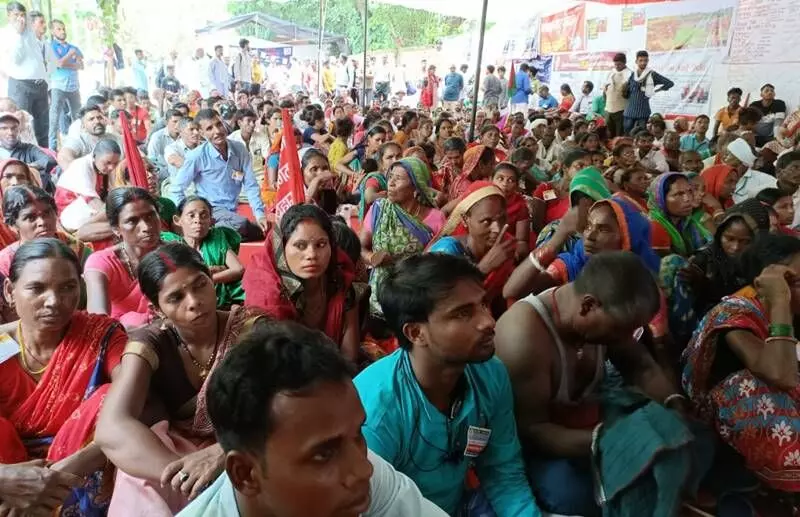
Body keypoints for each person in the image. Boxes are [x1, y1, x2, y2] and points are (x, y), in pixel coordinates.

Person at [177, 319, 447, 517]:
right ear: (245, 474)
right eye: (323, 455)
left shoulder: (363, 475)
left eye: (358, 435)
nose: (364, 470)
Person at [495, 252, 683, 517]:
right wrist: (613, 440)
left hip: (591, 427)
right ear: (587, 306)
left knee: (673, 451)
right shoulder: (523, 337)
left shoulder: (607, 315)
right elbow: (533, 430)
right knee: (576, 497)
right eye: (622, 330)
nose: (626, 337)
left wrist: (674, 405)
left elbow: (640, 366)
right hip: (538, 444)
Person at [355, 253, 540, 516]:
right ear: (416, 333)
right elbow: (373, 507)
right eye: (463, 313)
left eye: (483, 304)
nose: (488, 321)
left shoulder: (490, 375)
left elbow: (502, 472)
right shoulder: (374, 411)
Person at [95, 242, 266, 516]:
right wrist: (187, 473)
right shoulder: (150, 342)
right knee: (136, 473)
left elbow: (292, 404)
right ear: (157, 308)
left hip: (248, 442)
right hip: (180, 456)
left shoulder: (252, 331)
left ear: (212, 280)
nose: (194, 301)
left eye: (200, 285)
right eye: (176, 298)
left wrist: (225, 451)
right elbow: (111, 427)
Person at [0, 238, 128, 516]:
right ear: (10, 291)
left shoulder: (101, 335)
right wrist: (4, 479)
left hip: (78, 474)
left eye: (68, 287)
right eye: (37, 288)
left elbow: (139, 400)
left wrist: (63, 472)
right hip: (7, 481)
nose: (55, 301)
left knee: (112, 398)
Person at [682, 234, 800, 492]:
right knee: (749, 384)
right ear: (764, 286)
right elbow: (781, 374)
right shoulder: (734, 314)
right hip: (724, 415)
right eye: (796, 282)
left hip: (774, 398)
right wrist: (780, 301)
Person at [242, 203, 362, 361]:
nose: (311, 254)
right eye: (300, 246)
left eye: (321, 244)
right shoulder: (267, 294)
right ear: (282, 248)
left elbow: (349, 359)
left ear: (331, 246)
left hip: (335, 377)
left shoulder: (341, 286)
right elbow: (270, 362)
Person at [665, 199, 771, 345]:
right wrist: (701, 283)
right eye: (729, 239)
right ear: (720, 233)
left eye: (745, 241)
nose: (735, 247)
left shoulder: (765, 260)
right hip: (711, 332)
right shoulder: (704, 259)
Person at [360, 157, 445, 317]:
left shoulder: (436, 218)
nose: (390, 183)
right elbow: (360, 247)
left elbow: (440, 262)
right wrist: (372, 257)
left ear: (415, 186)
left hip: (417, 299)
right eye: (390, 177)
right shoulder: (379, 209)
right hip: (380, 300)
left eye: (397, 179)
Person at [171, 109, 266, 242]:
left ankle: (216, 234)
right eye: (209, 128)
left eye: (219, 124)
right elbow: (176, 189)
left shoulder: (239, 149)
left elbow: (251, 185)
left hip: (231, 210)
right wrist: (188, 216)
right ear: (202, 133)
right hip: (209, 210)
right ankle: (211, 232)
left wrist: (259, 214)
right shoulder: (197, 156)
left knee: (259, 229)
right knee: (243, 224)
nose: (217, 131)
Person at [427, 181, 516, 315]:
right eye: (486, 221)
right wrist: (483, 269)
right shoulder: (447, 251)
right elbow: (433, 302)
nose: (497, 228)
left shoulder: (504, 245)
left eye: (502, 218)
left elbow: (498, 296)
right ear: (464, 220)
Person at [83, 187, 162, 328]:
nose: (146, 226)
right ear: (115, 229)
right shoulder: (101, 263)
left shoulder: (173, 255)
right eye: (132, 221)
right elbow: (99, 323)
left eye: (151, 216)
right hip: (119, 339)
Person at [162, 196, 244, 309]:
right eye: (191, 215)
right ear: (178, 220)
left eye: (204, 215)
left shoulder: (216, 238)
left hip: (223, 299)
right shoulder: (171, 244)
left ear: (211, 221)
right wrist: (218, 272)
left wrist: (205, 278)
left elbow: (238, 269)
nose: (198, 220)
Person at [0, 184, 90, 277]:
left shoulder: (74, 248)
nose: (42, 222)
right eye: (30, 217)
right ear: (12, 225)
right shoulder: (5, 264)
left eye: (47, 213)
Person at [2, 2, 50, 148]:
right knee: (19, 125)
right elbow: (15, 59)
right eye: (16, 15)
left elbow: (38, 59)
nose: (20, 19)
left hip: (40, 84)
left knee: (43, 126)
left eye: (23, 15)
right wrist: (19, 34)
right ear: (9, 16)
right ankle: (22, 163)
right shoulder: (5, 34)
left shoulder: (31, 32)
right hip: (20, 85)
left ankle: (46, 159)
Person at [54, 138, 122, 233]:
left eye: (115, 163)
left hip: (87, 207)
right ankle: (80, 232)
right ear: (94, 156)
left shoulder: (100, 167)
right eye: (107, 163)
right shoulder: (81, 167)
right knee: (114, 218)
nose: (111, 167)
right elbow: (93, 202)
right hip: (68, 212)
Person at [648, 172, 711, 257]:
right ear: (660, 199)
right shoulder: (653, 228)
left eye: (689, 192)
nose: (687, 198)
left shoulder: (688, 223)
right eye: (678, 194)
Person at [48, 19, 83, 151]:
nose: (62, 31)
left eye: (63, 28)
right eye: (58, 29)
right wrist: (70, 55)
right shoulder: (51, 46)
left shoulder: (74, 47)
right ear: (52, 31)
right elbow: (58, 64)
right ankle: (52, 148)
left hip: (74, 85)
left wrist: (66, 63)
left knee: (78, 116)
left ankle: (78, 144)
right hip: (58, 85)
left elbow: (81, 65)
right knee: (54, 117)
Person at [0, 111, 56, 189]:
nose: (10, 132)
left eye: (14, 128)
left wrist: (24, 168)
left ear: (19, 130)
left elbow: (49, 160)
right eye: (4, 128)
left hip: (30, 194)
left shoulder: (29, 149)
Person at [57, 104, 122, 171]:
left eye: (99, 118)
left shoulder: (115, 138)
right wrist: (79, 174)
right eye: (91, 119)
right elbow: (63, 156)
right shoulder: (79, 140)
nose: (97, 121)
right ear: (83, 126)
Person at [623, 51, 674, 135]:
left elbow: (670, 83)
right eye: (641, 60)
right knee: (627, 135)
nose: (643, 63)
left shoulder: (652, 74)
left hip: (643, 112)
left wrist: (656, 90)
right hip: (629, 111)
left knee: (642, 136)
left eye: (645, 60)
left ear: (648, 61)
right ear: (636, 61)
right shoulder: (632, 75)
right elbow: (628, 90)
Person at [491, 163, 529, 260]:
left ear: (516, 185)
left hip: (506, 247)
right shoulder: (481, 197)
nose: (505, 184)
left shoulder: (520, 205)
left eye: (511, 180)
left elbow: (521, 241)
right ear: (491, 180)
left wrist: (513, 254)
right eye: (500, 178)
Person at [147, 109, 183, 180]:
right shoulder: (157, 137)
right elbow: (151, 160)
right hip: (163, 175)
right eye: (175, 122)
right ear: (166, 122)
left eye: (180, 122)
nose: (178, 125)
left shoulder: (185, 135)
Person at [604, 53, 630, 138]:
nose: (617, 66)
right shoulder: (611, 72)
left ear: (625, 62)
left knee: (619, 134)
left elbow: (628, 92)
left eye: (619, 64)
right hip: (608, 108)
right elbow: (604, 89)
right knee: (608, 134)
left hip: (621, 110)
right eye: (615, 64)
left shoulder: (629, 74)